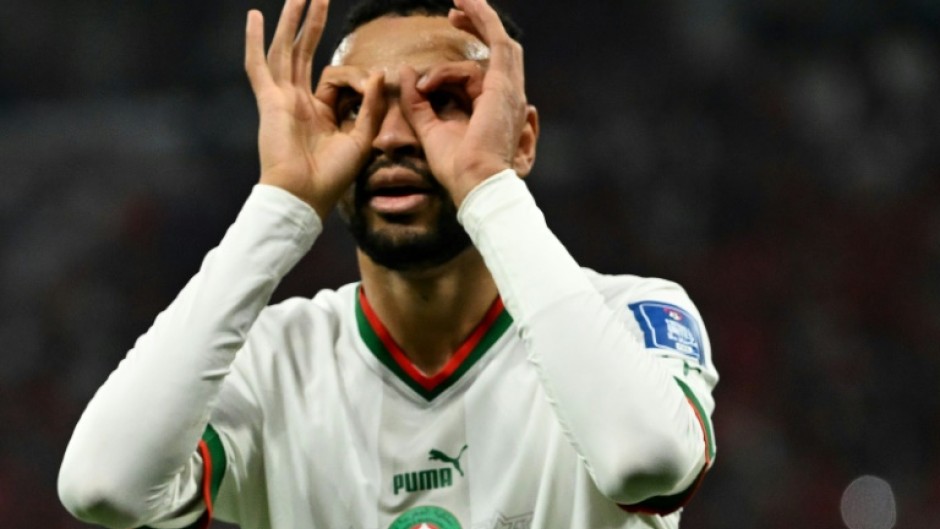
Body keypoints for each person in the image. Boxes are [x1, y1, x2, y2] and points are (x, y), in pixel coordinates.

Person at [58, 0, 718, 527]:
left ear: (521, 137)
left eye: (446, 102)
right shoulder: (270, 359)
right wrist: (280, 204)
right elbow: (103, 486)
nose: (395, 136)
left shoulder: (632, 315)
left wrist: (487, 183)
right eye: (355, 108)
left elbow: (646, 463)